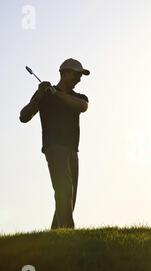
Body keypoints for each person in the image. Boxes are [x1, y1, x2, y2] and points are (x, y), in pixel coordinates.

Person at [19, 58, 90, 229]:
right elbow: (24, 116)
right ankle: (67, 231)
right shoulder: (45, 95)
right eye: (76, 74)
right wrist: (39, 95)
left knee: (70, 194)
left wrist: (56, 94)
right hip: (54, 147)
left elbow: (83, 106)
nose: (79, 79)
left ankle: (56, 233)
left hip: (72, 149)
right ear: (64, 73)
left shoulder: (77, 97)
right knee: (64, 189)